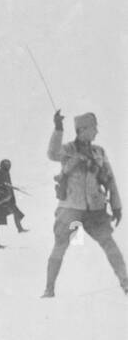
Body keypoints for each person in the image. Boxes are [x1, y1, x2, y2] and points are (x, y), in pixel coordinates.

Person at [43, 110, 127, 297]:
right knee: (60, 245)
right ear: (83, 130)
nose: (97, 132)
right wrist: (58, 128)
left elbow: (110, 179)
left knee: (109, 243)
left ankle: (125, 282)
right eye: (94, 128)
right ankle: (49, 288)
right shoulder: (68, 150)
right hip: (70, 209)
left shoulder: (99, 152)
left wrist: (116, 205)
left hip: (95, 209)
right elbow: (52, 153)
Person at [0, 159, 26, 233]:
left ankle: (20, 228)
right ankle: (19, 228)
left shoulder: (7, 174)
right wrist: (1, 187)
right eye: (6, 166)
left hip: (9, 199)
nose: (7, 167)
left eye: (8, 166)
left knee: (16, 213)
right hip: (1, 199)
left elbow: (8, 186)